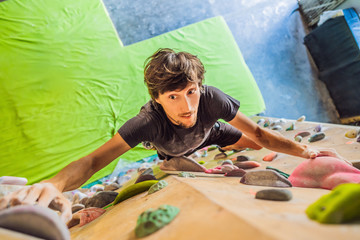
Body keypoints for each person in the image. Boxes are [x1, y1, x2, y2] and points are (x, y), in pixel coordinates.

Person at [0, 48, 347, 222]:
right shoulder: (148, 123)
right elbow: (94, 160)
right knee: (173, 162)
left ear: (200, 86)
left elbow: (260, 133)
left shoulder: (211, 101)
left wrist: (305, 152)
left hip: (209, 135)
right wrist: (55, 185)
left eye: (191, 91)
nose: (187, 105)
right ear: (156, 98)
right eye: (173, 97)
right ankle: (169, 160)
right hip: (168, 147)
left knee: (252, 144)